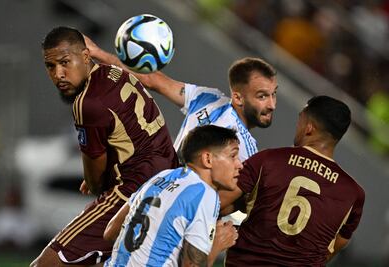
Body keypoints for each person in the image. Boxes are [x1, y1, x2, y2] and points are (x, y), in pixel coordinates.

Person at [84, 36, 278, 224]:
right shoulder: (208, 99)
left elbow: (216, 206)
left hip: (158, 213)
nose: (272, 105)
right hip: (147, 198)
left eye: (273, 95)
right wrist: (98, 53)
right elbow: (152, 79)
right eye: (262, 97)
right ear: (238, 98)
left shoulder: (245, 151)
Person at [31, 26, 178, 267]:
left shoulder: (87, 103)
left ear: (86, 57)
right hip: (168, 181)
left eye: (65, 62)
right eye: (51, 66)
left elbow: (95, 180)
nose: (59, 74)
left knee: (46, 264)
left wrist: (93, 178)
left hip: (133, 192)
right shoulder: (115, 73)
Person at [219, 95, 365, 265]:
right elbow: (333, 247)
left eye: (300, 120)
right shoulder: (353, 194)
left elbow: (219, 203)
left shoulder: (269, 160)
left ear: (309, 128)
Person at [103, 125, 242, 267]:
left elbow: (110, 232)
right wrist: (217, 245)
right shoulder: (205, 194)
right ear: (208, 159)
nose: (239, 164)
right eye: (233, 156)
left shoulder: (161, 176)